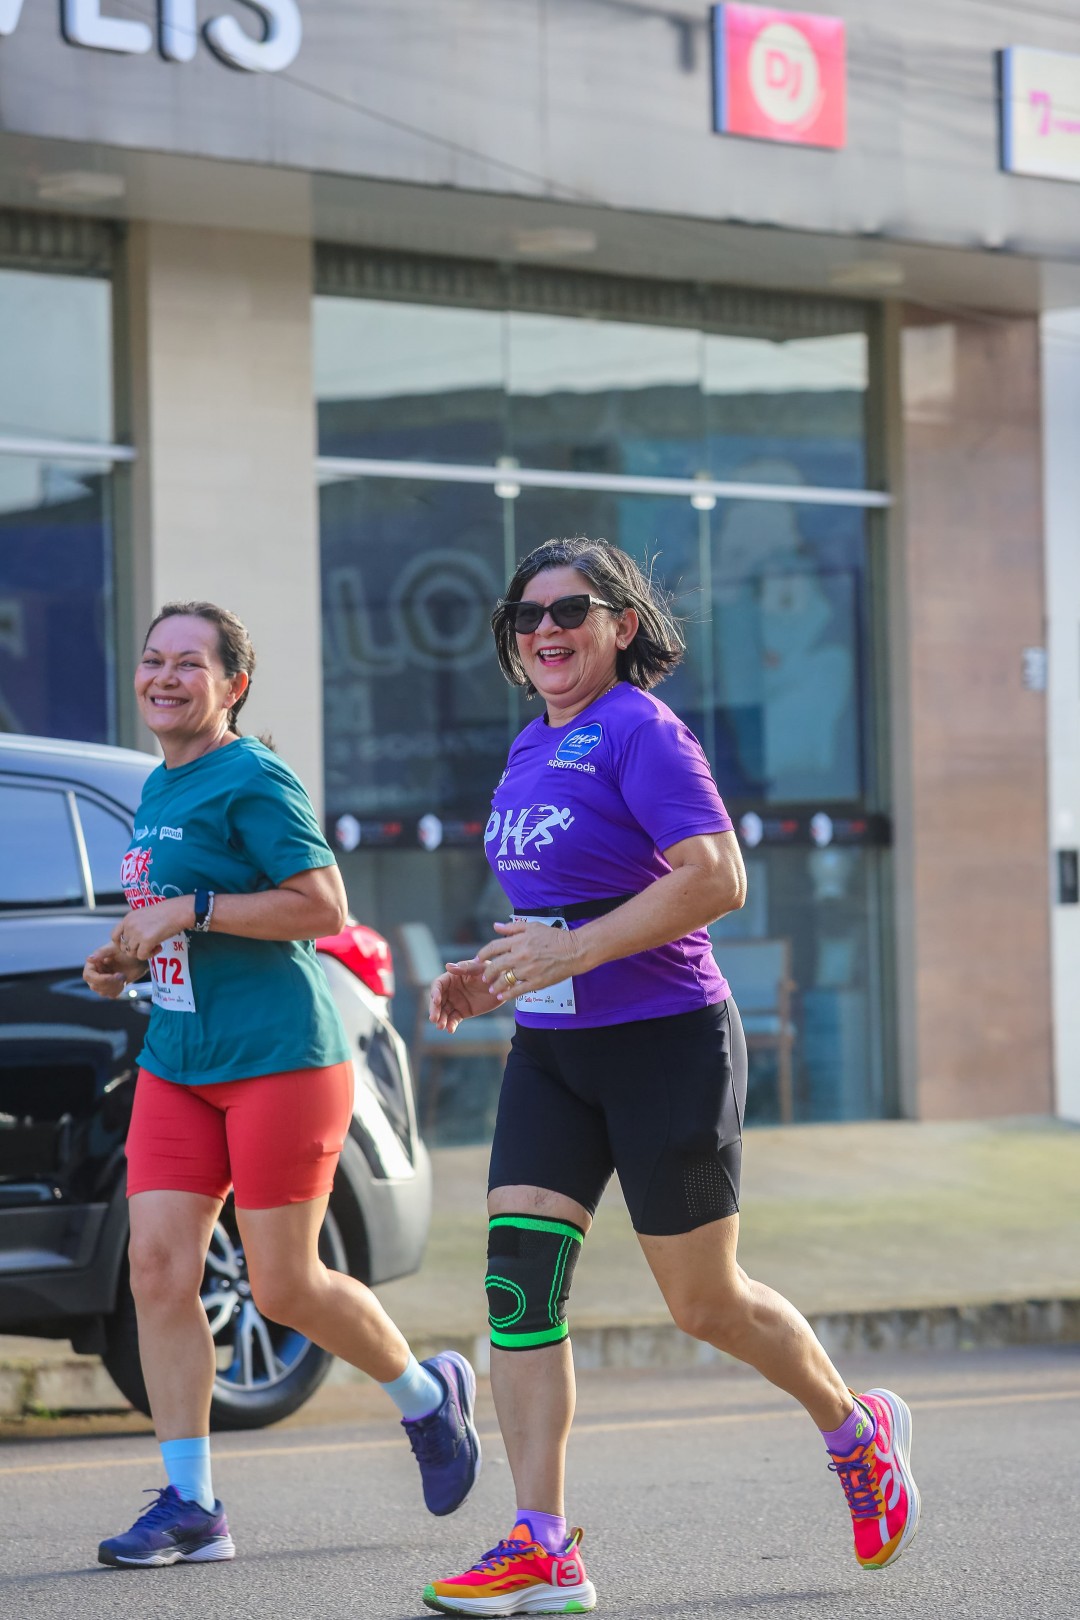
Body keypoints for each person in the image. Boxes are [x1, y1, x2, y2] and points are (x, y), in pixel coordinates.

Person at [421, 539, 919, 1616]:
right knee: (518, 1285)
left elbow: (718, 878)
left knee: (704, 1303)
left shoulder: (642, 731)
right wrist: (492, 974)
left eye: (570, 610)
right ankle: (542, 1544)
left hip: (668, 1046)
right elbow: (563, 910)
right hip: (553, 1053)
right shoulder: (529, 746)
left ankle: (856, 1432)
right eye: (525, 615)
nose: (545, 630)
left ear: (621, 626)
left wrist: (573, 950)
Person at [83, 600, 480, 1569]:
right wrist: (128, 958)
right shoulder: (156, 787)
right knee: (156, 1271)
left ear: (234, 685)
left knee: (285, 1284)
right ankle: (191, 1505)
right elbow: (181, 925)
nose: (164, 676)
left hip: (280, 1060)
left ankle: (427, 1395)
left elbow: (321, 906)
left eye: (189, 663)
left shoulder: (254, 776)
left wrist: (191, 907)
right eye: (153, 659)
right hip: (178, 1059)